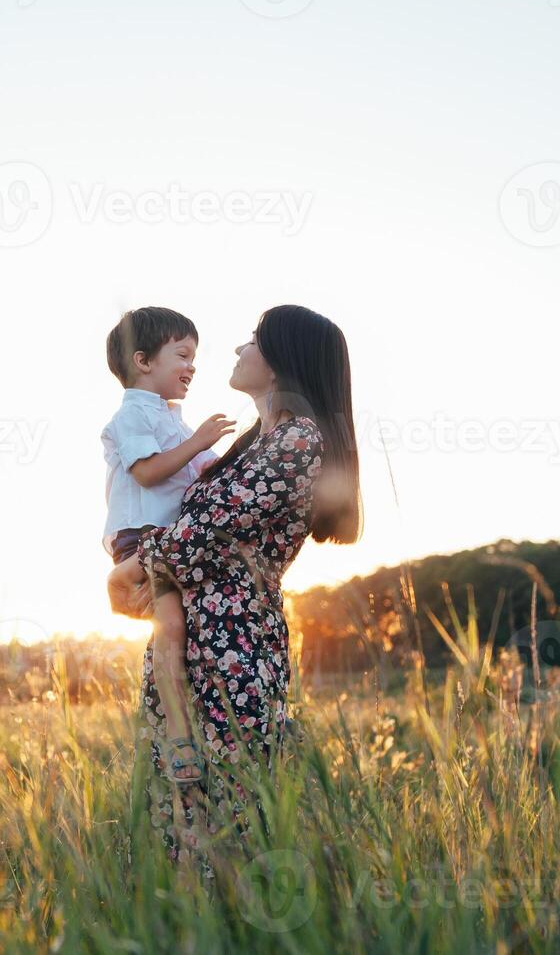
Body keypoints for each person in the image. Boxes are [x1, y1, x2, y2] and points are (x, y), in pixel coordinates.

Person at [107, 304, 362, 867]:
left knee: (232, 813)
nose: (239, 349)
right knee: (181, 813)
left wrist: (133, 566)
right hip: (191, 641)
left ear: (280, 360)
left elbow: (209, 528)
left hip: (233, 643)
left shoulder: (299, 439)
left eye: (253, 339)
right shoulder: (253, 444)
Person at [102, 307, 235, 785]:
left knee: (182, 628)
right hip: (142, 536)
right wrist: (199, 443)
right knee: (171, 627)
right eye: (182, 354)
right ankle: (179, 740)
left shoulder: (172, 419)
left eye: (194, 357)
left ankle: (192, 724)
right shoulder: (133, 413)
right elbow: (148, 471)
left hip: (171, 541)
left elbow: (203, 471)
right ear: (142, 361)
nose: (192, 366)